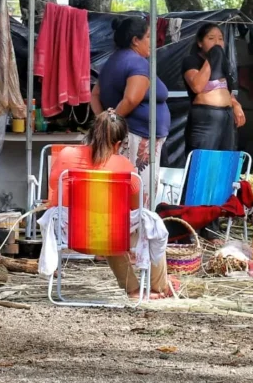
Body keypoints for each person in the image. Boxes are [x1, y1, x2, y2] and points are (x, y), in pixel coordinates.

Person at [45, 110, 175, 299]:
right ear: (118, 144)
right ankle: (158, 288)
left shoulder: (66, 155)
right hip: (107, 236)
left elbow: (53, 186)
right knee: (147, 227)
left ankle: (134, 289)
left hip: (69, 234)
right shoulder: (124, 167)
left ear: (91, 134)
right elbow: (135, 207)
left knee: (107, 225)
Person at [91, 16, 170, 190]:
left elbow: (95, 95)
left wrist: (104, 121)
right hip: (138, 136)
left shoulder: (111, 61)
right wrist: (111, 124)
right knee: (139, 190)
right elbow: (131, 99)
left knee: (126, 186)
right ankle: (138, 218)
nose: (152, 41)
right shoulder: (137, 63)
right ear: (135, 40)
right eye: (148, 36)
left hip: (131, 135)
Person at [181, 23, 246, 152]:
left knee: (225, 160)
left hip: (226, 117)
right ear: (200, 43)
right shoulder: (191, 61)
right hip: (206, 118)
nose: (217, 42)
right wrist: (214, 55)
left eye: (220, 39)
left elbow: (227, 91)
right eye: (211, 38)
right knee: (203, 161)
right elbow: (197, 86)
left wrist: (236, 105)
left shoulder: (224, 64)